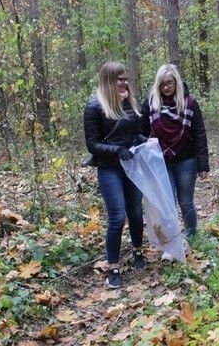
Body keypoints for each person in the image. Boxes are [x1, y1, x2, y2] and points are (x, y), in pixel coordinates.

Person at [84, 61, 147, 289]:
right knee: (117, 216)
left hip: (131, 166)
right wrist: (117, 150)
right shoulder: (94, 107)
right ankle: (113, 267)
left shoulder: (129, 102)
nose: (124, 83)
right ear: (109, 81)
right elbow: (92, 144)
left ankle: (137, 251)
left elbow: (136, 132)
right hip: (110, 168)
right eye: (120, 79)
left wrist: (146, 143)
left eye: (125, 78)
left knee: (136, 213)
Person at [141, 64, 209, 244]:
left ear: (176, 82)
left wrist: (203, 165)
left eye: (169, 83)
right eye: (162, 84)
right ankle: (171, 240)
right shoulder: (150, 103)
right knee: (166, 203)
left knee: (186, 201)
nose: (166, 87)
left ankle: (192, 236)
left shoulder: (190, 103)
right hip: (160, 161)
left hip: (186, 160)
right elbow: (140, 132)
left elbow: (199, 134)